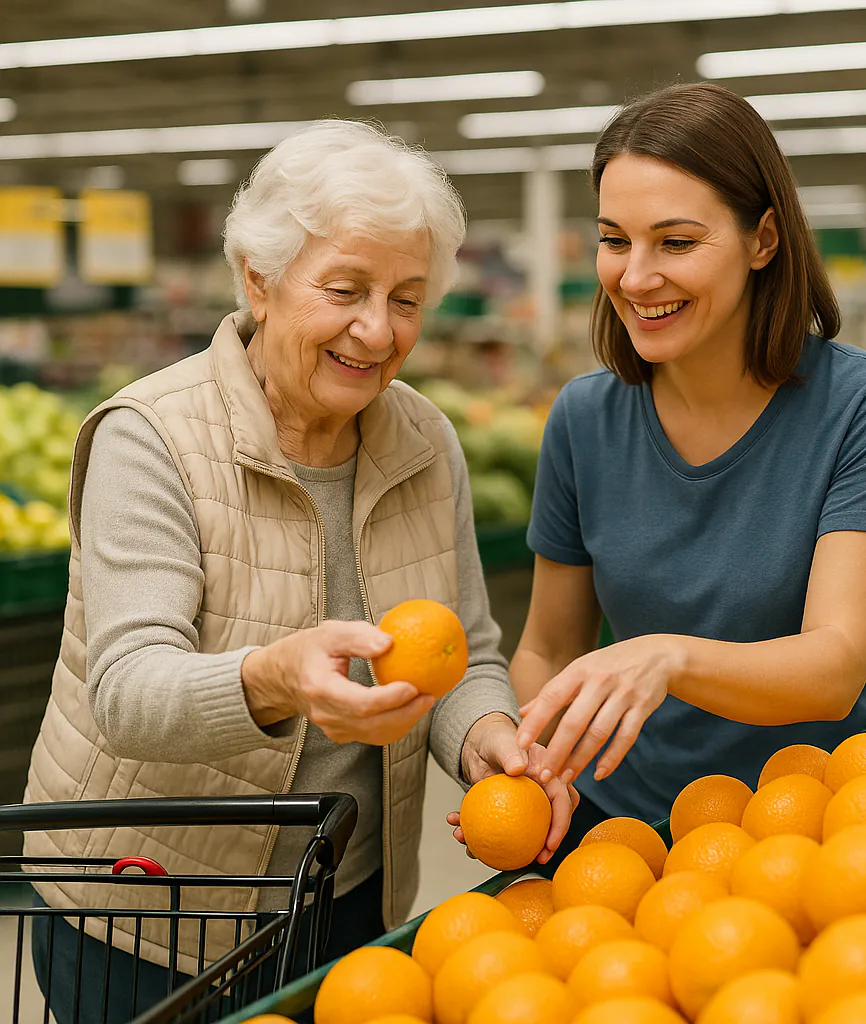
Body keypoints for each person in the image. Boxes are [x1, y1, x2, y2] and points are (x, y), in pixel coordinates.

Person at [23, 119, 574, 1022]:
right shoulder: (152, 436)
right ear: (259, 280)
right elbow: (125, 689)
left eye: (406, 297)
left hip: (343, 898)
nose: (376, 329)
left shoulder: (427, 443)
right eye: (345, 289)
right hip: (148, 915)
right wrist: (275, 675)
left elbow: (465, 653)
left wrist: (487, 741)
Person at [512, 83, 866, 849]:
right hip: (634, 822)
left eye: (675, 243)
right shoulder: (584, 418)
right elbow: (547, 645)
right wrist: (538, 758)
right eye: (615, 239)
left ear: (762, 239)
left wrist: (665, 657)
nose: (635, 278)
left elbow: (835, 666)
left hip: (829, 811)